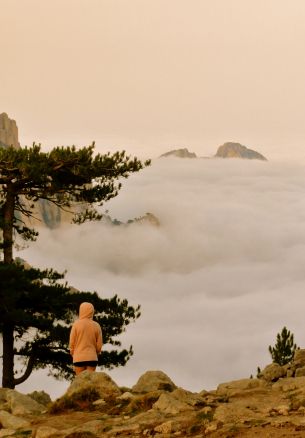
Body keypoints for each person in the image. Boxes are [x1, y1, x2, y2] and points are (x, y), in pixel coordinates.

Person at [69, 302, 103, 375]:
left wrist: (73, 353)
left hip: (78, 358)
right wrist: (96, 352)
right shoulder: (97, 325)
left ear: (81, 310)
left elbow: (71, 343)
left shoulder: (76, 325)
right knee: (90, 382)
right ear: (92, 311)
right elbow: (99, 346)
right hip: (92, 358)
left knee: (80, 382)